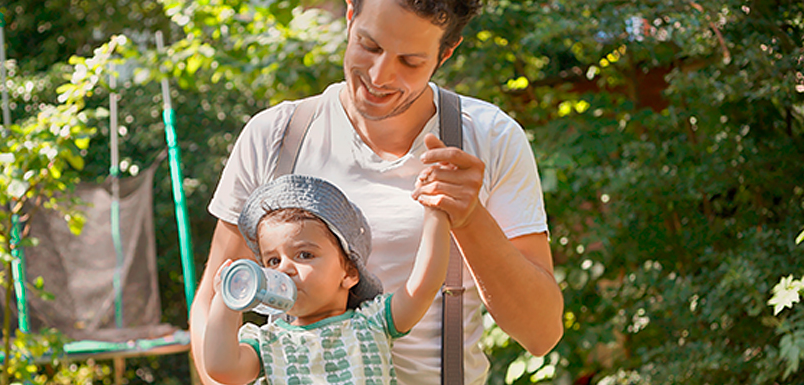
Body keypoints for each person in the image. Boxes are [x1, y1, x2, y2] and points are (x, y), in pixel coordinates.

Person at [192, 0, 564, 383]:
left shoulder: (489, 137)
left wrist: (469, 219)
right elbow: (213, 298)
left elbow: (540, 334)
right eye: (369, 46)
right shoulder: (274, 136)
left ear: (445, 53)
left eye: (410, 62)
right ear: (350, 14)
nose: (379, 75)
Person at [203, 174, 451, 384]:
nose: (284, 270)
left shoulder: (372, 322)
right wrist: (226, 300)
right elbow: (222, 368)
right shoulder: (269, 343)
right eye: (273, 261)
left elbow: (424, 286)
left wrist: (435, 212)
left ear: (350, 273)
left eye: (304, 254)